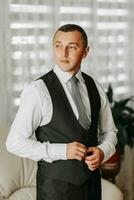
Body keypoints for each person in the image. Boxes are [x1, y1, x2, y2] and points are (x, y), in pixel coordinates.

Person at [6, 24, 117, 200]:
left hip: (92, 189)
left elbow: (110, 132)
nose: (63, 53)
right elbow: (13, 142)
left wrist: (103, 151)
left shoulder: (95, 87)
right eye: (58, 46)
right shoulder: (38, 90)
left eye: (72, 47)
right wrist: (62, 151)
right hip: (55, 192)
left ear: (86, 52)